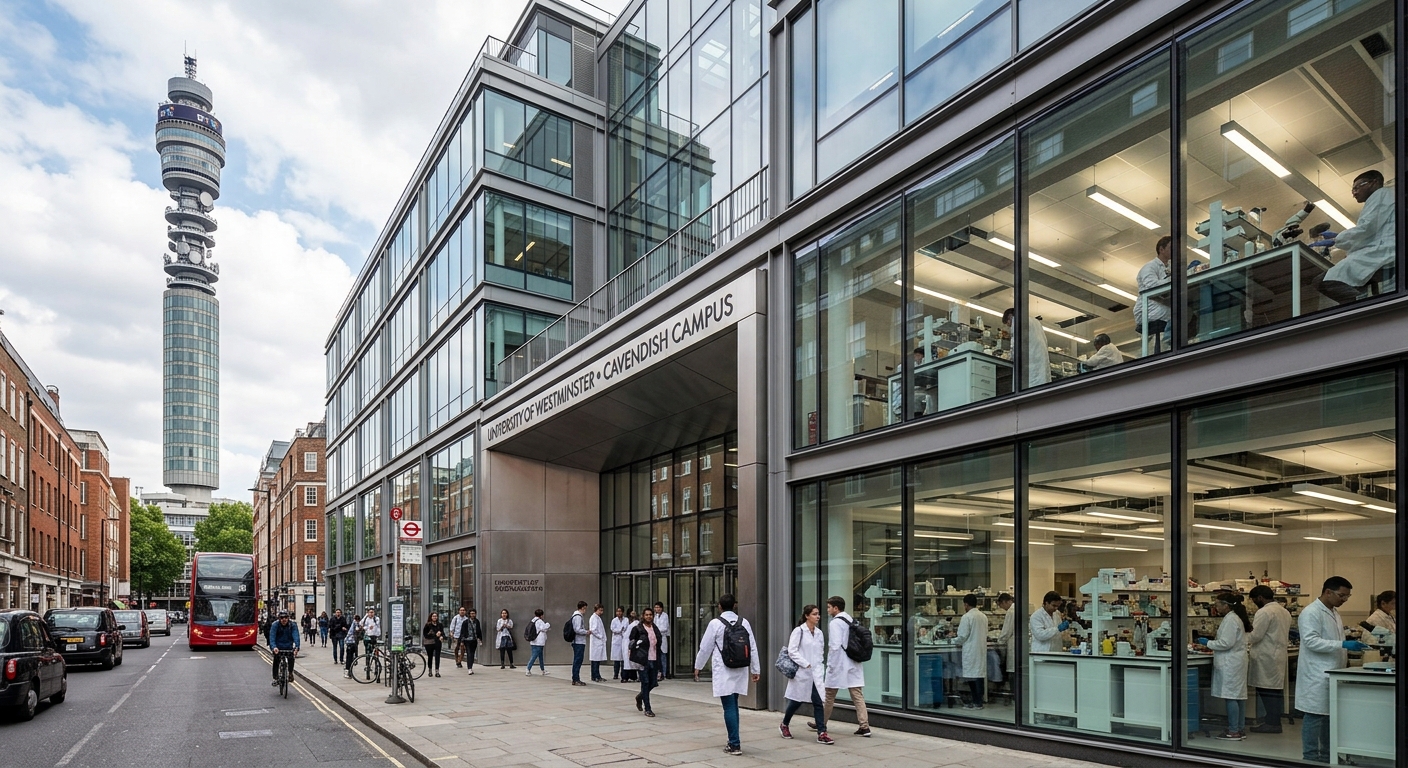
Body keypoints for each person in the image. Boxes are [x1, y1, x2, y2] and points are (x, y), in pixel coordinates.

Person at [1296, 576, 1369, 763]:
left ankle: (1328, 755)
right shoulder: (1311, 612)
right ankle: (1310, 757)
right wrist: (1342, 644)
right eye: (1342, 595)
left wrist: (1345, 645)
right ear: (1328, 592)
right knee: (1314, 715)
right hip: (1316, 674)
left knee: (1329, 717)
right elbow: (1311, 641)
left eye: (1347, 597)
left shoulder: (1334, 611)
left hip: (1333, 672)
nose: (1344, 599)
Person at [693, 594, 761, 756]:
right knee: (734, 704)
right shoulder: (744, 622)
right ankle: (734, 740)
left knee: (729, 706)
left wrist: (698, 666)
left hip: (724, 669)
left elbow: (705, 647)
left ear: (719, 606)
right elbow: (752, 647)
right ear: (734, 606)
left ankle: (734, 743)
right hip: (740, 669)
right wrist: (755, 669)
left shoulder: (715, 624)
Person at [1314, 170, 1395, 304]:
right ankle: (1369, 303)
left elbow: (1366, 227)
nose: (1354, 193)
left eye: (1357, 187)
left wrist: (1337, 239)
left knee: (1323, 281)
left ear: (1374, 182)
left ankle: (1360, 305)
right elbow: (1371, 231)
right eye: (1352, 190)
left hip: (1382, 252)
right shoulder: (1385, 197)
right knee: (1357, 282)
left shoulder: (1380, 194)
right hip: (1381, 250)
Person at [1196, 593, 1251, 740]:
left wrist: (1207, 643)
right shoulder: (1233, 618)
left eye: (1218, 604)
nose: (1216, 606)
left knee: (1231, 696)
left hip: (1231, 662)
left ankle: (1233, 731)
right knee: (1238, 696)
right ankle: (1239, 728)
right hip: (1236, 661)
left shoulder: (1231, 619)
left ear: (1226, 605)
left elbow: (1226, 643)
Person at [817, 595, 870, 739]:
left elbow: (834, 645)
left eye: (829, 607)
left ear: (835, 608)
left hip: (840, 663)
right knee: (857, 694)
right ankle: (864, 726)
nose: (827, 610)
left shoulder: (835, 623)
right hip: (854, 662)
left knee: (829, 695)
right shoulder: (851, 620)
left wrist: (830, 665)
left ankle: (821, 723)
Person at [780, 604, 832, 744]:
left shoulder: (819, 633)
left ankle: (822, 732)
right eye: (814, 614)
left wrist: (820, 667)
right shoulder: (799, 631)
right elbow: (792, 651)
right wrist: (805, 663)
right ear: (807, 616)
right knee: (796, 701)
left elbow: (821, 652)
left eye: (818, 614)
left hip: (816, 673)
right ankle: (784, 724)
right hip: (802, 672)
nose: (818, 616)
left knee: (818, 702)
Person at [1246, 585, 1291, 734]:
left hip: (1266, 655)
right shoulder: (1283, 611)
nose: (1254, 603)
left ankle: (1273, 723)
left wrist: (1241, 637)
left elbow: (1256, 636)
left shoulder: (1264, 612)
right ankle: (1272, 719)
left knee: (1266, 690)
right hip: (1277, 654)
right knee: (1275, 690)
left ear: (1260, 597)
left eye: (1254, 600)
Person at [1134, 236, 1173, 352]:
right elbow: (1152, 286)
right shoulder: (1149, 267)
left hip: (1161, 305)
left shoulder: (1169, 267)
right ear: (1161, 249)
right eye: (1171, 247)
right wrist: (1171, 280)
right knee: (1179, 315)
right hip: (1149, 310)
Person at [954, 593, 989, 710]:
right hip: (980, 649)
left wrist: (953, 640)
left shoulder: (967, 617)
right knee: (978, 676)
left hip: (970, 649)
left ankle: (976, 702)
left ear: (965, 604)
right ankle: (979, 701)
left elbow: (962, 636)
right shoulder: (983, 616)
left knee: (972, 677)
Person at [629, 607, 663, 717]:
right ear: (643, 616)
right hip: (643, 659)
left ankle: (640, 696)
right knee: (645, 683)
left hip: (654, 658)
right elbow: (632, 643)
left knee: (653, 682)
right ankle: (647, 708)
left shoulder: (655, 628)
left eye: (650, 615)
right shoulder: (638, 628)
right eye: (646, 615)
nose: (649, 616)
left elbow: (658, 643)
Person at [1004, 307, 1049, 387]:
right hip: (1040, 357)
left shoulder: (1017, 320)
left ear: (1010, 317)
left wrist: (1011, 356)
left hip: (1030, 360)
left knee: (1029, 385)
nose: (1010, 326)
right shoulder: (1036, 322)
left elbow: (1015, 343)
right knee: (1040, 383)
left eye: (1009, 324)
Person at [269, 610, 301, 686]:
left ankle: (290, 673)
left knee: (291, 658)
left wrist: (297, 647)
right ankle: (275, 677)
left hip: (288, 646)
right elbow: (272, 637)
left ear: (288, 618)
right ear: (279, 618)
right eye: (282, 617)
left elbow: (296, 636)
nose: (284, 619)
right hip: (278, 647)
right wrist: (274, 647)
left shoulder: (292, 625)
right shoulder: (275, 625)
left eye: (286, 617)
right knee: (276, 659)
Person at [994, 593, 1016, 698]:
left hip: (1013, 643)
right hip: (1017, 643)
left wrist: (999, 641)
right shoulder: (1017, 608)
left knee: (1012, 670)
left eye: (1001, 605)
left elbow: (1007, 631)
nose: (1002, 608)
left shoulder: (1011, 611)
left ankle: (1013, 694)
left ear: (1005, 602)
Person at [570, 601, 590, 686]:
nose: (585, 611)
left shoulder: (576, 615)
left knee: (577, 660)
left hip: (578, 641)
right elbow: (577, 629)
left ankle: (576, 678)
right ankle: (576, 679)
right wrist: (586, 632)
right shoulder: (578, 616)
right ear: (583, 608)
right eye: (585, 608)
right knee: (578, 660)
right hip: (578, 641)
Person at [458, 608, 482, 674]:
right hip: (467, 640)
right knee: (469, 653)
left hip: (474, 640)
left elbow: (479, 631)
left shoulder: (477, 621)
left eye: (473, 613)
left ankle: (470, 666)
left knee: (472, 653)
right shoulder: (465, 622)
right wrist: (462, 641)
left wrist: (480, 638)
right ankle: (469, 668)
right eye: (471, 613)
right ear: (469, 614)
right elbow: (462, 632)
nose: (472, 615)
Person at [525, 609, 550, 675]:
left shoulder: (532, 620)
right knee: (534, 655)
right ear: (541, 615)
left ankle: (543, 669)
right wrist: (547, 624)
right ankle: (528, 669)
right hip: (539, 641)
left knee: (540, 656)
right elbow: (543, 628)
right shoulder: (539, 621)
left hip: (533, 641)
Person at [653, 601, 672, 679]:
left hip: (662, 637)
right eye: (655, 607)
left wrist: (657, 630)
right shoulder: (655, 616)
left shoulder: (665, 616)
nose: (656, 609)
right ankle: (658, 672)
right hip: (656, 637)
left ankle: (664, 673)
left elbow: (664, 628)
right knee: (656, 656)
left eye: (658, 607)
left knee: (663, 656)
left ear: (661, 608)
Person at [588, 604, 608, 682]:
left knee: (596, 660)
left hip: (598, 642)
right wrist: (600, 636)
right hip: (596, 642)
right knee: (595, 660)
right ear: (596, 609)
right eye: (600, 610)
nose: (601, 612)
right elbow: (593, 630)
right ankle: (595, 676)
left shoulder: (597, 618)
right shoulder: (594, 618)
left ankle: (596, 675)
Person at [422, 612, 444, 677]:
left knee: (437, 656)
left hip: (437, 642)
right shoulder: (427, 625)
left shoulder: (440, 625)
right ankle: (430, 670)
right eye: (433, 616)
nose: (435, 617)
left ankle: (437, 671)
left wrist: (442, 636)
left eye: (436, 616)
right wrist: (434, 635)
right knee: (430, 656)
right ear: (431, 617)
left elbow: (443, 633)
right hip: (429, 643)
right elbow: (425, 635)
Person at [610, 606, 629, 681]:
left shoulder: (626, 620)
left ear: (623, 612)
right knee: (616, 660)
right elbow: (613, 629)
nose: (619, 613)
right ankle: (615, 674)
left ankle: (623, 674)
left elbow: (626, 628)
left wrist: (621, 631)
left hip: (623, 639)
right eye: (617, 611)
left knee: (623, 659)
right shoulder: (614, 620)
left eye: (620, 611)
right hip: (616, 640)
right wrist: (619, 630)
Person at [622, 609, 640, 683]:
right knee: (629, 661)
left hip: (629, 642)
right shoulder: (632, 623)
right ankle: (627, 677)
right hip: (628, 642)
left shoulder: (635, 624)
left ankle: (629, 677)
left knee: (629, 661)